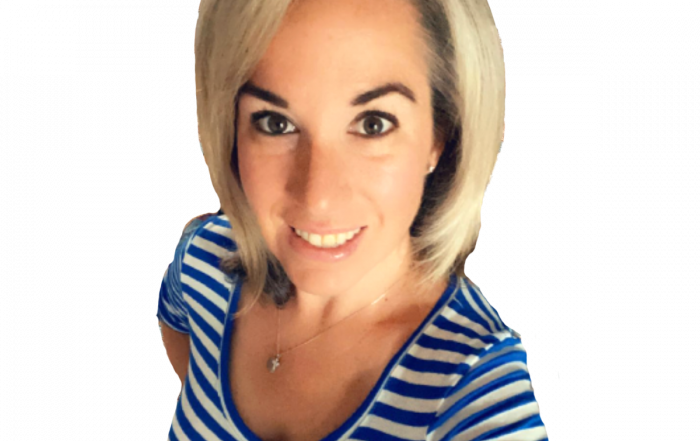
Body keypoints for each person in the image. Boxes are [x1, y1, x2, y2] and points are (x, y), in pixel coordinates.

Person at [157, 0, 545, 440]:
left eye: (373, 124)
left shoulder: (476, 388)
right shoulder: (204, 258)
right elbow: (178, 328)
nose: (318, 198)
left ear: (439, 136)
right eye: (275, 123)